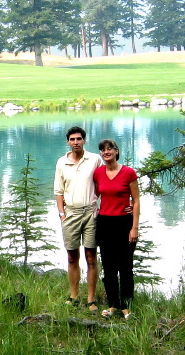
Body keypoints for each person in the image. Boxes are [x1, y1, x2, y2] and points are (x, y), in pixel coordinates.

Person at [54, 126, 103, 313]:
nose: (76, 142)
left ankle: (91, 299)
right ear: (68, 141)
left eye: (79, 139)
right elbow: (58, 190)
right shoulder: (61, 163)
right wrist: (61, 214)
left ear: (84, 140)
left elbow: (103, 183)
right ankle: (73, 296)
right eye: (72, 139)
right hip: (70, 213)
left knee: (91, 257)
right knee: (72, 256)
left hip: (91, 212)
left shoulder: (94, 160)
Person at [93, 139, 140, 319]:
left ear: (116, 151)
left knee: (125, 267)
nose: (106, 152)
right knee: (109, 267)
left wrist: (134, 227)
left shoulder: (128, 173)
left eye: (109, 149)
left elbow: (136, 201)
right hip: (105, 223)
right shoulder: (98, 173)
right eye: (103, 150)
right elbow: (95, 193)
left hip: (124, 223)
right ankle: (113, 305)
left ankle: (126, 307)